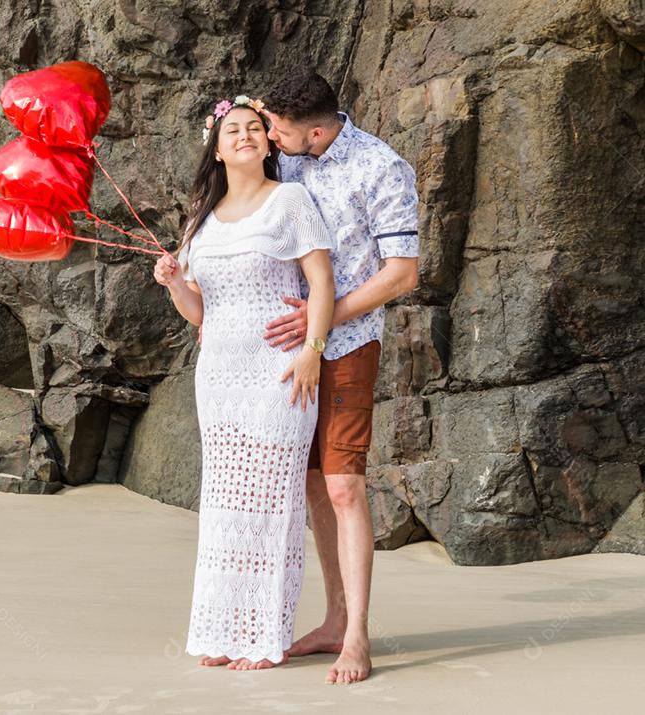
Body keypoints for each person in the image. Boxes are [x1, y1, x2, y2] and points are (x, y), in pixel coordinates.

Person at [153, 95, 336, 671]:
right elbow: (200, 314)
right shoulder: (200, 220)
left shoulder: (291, 200)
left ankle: (264, 636)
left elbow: (322, 285)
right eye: (233, 129)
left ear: (267, 142)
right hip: (220, 379)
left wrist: (313, 352)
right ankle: (223, 630)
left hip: (278, 373)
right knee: (226, 504)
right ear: (217, 146)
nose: (246, 135)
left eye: (255, 127)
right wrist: (175, 283)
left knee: (271, 503)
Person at [259, 69, 421, 685]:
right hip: (281, 346)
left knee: (346, 486)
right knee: (311, 486)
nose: (273, 135)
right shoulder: (289, 154)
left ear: (319, 130)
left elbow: (401, 273)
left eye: (280, 127)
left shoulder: (383, 168)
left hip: (348, 344)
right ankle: (331, 619)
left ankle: (357, 637)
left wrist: (322, 317)